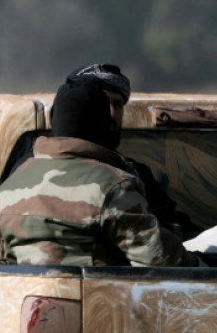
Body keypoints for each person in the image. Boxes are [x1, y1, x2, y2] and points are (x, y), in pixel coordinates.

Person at [0, 82, 201, 267]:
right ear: (104, 122)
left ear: (53, 118)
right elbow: (159, 261)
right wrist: (202, 265)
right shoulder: (112, 186)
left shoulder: (9, 186)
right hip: (99, 304)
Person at [63, 63, 200, 239]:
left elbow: (173, 233)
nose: (112, 113)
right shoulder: (38, 168)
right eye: (103, 103)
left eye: (118, 104)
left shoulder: (135, 174)